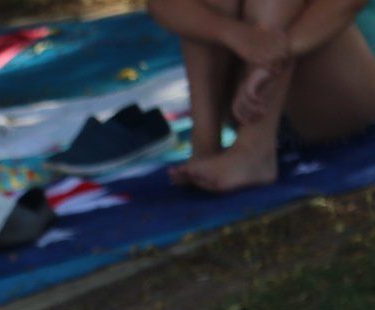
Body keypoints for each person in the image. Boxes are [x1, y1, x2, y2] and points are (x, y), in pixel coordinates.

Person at [149, 0, 375, 192]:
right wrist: (232, 33)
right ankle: (205, 148)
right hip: (247, 95)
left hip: (339, 100)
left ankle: (253, 150)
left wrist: (274, 57)